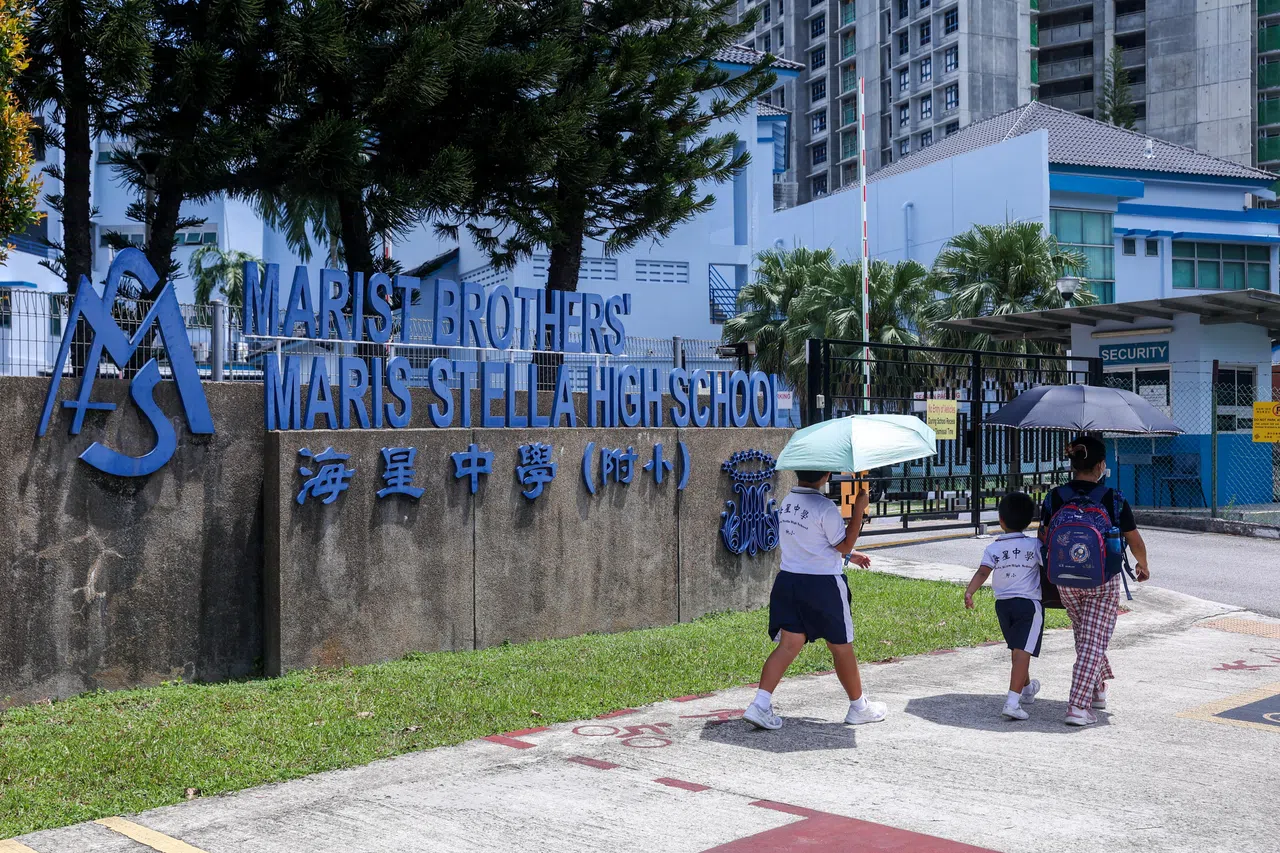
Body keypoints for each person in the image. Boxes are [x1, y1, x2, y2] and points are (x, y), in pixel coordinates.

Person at [743, 470, 886, 731]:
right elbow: (841, 545)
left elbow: (811, 543)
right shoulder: (825, 507)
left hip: (789, 581)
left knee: (788, 645)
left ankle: (760, 704)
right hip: (823, 585)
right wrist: (858, 511)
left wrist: (849, 555)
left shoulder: (787, 502)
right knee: (841, 646)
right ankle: (859, 707)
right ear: (827, 474)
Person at [1043, 434, 1150, 727]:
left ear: (1073, 464)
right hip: (1102, 580)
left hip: (1064, 579)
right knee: (1093, 642)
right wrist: (1143, 565)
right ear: (1101, 465)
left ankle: (1098, 690)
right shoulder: (1113, 498)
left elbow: (1044, 536)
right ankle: (1078, 706)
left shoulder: (1055, 496)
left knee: (1087, 637)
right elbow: (1134, 540)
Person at [963, 492, 1044, 721]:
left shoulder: (994, 548)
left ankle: (1027, 690)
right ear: (1029, 521)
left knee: (1017, 650)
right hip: (1029, 605)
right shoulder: (1034, 545)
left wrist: (970, 592)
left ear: (1001, 520)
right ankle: (1012, 702)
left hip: (1003, 605)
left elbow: (982, 572)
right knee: (1022, 652)